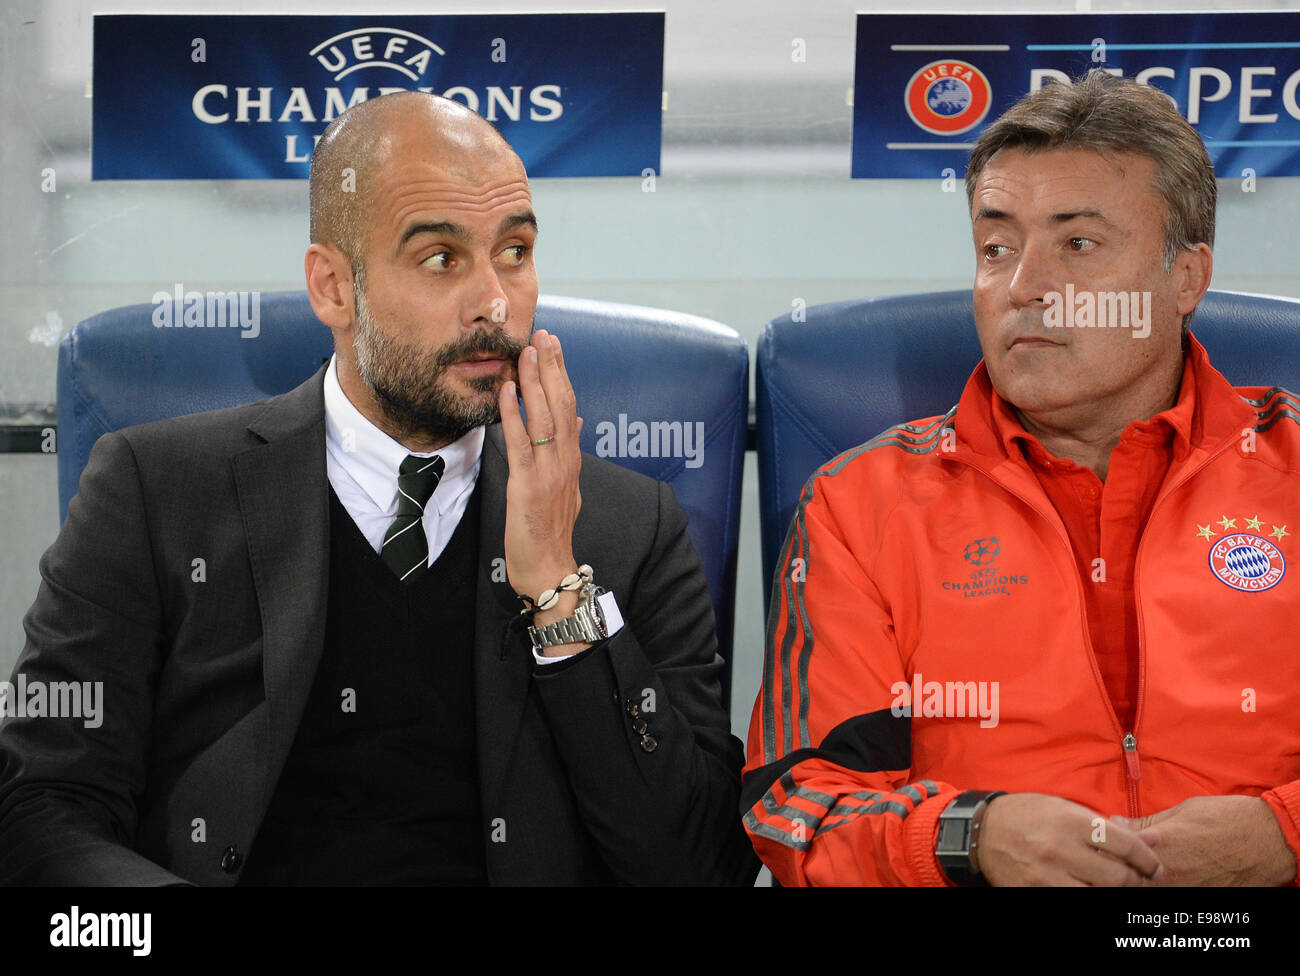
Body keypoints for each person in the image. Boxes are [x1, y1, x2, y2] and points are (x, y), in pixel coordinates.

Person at [0, 92, 756, 886]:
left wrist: (558, 596)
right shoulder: (155, 492)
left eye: (516, 251)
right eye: (441, 258)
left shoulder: (629, 528)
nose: (496, 303)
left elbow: (700, 867)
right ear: (332, 287)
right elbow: (42, 812)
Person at [743, 70, 1300, 886]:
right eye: (996, 248)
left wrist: (1284, 834)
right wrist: (966, 837)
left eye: (1077, 245)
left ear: (1186, 279)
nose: (1023, 288)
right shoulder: (859, 506)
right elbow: (797, 805)